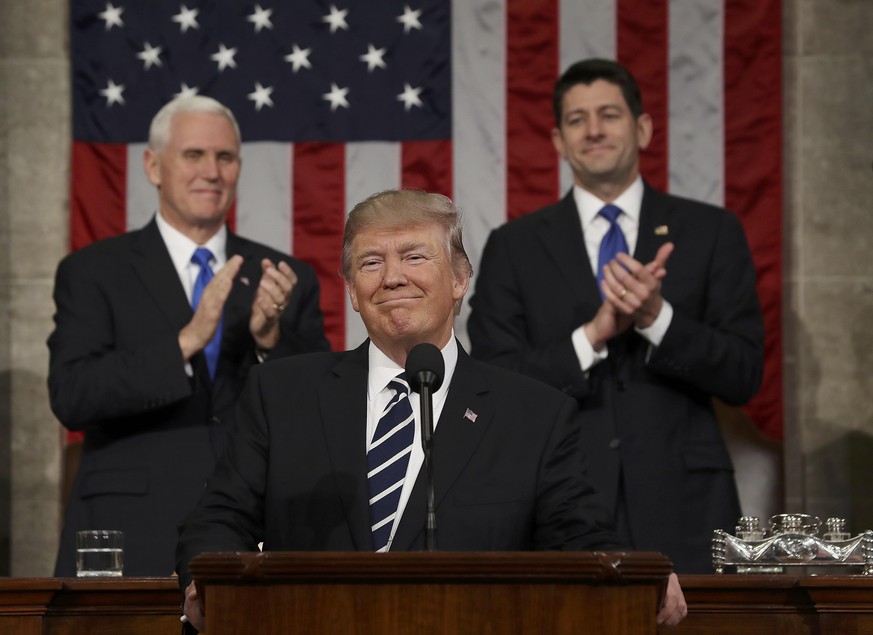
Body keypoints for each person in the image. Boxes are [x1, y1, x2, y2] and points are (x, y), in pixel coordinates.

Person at [175, 189, 687, 631]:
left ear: (460, 280)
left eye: (415, 257)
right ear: (352, 291)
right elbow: (219, 517)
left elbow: (581, 537)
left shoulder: (534, 413)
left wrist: (637, 574)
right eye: (371, 263)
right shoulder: (281, 393)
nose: (393, 277)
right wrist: (204, 581)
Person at [467, 59, 765, 574]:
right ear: (559, 141)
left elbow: (743, 373)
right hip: (560, 502)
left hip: (687, 508)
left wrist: (657, 318)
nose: (595, 130)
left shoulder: (710, 231)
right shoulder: (513, 247)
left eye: (609, 114)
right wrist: (592, 336)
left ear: (642, 128)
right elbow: (493, 383)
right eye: (578, 120)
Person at [48, 95, 330, 577]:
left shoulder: (284, 277)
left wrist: (269, 341)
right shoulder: (94, 271)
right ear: (153, 166)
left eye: (225, 158)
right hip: (132, 530)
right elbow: (73, 395)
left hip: (252, 533)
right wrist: (185, 342)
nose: (212, 171)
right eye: (193, 155)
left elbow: (321, 409)